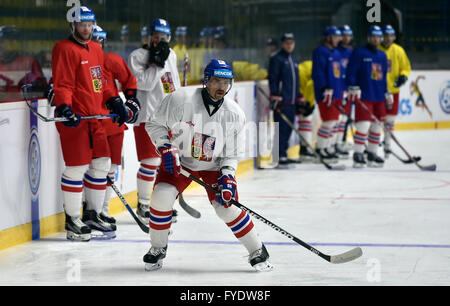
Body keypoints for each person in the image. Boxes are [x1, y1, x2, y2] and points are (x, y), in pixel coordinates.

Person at [143, 59, 273, 272]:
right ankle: (158, 248)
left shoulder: (234, 114)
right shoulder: (179, 99)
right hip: (181, 161)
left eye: (226, 81)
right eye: (216, 81)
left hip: (214, 166)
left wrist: (228, 175)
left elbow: (231, 153)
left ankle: (257, 249)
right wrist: (165, 146)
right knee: (160, 197)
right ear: (206, 81)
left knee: (226, 208)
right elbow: (155, 124)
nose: (222, 87)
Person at [51, 6, 137, 241]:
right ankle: (72, 221)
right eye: (82, 25)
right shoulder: (64, 49)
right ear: (73, 25)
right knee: (77, 168)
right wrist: (64, 106)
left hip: (97, 118)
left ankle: (92, 214)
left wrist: (115, 102)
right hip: (76, 119)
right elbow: (63, 82)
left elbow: (102, 83)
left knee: (101, 164)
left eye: (89, 25)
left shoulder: (96, 48)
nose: (86, 29)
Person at [128, 18, 181, 222]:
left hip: (169, 118)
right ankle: (143, 204)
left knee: (167, 164)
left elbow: (173, 84)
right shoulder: (138, 56)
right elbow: (145, 84)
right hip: (147, 118)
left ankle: (160, 205)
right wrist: (157, 64)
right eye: (156, 37)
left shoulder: (172, 55)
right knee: (150, 162)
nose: (160, 41)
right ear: (149, 37)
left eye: (164, 37)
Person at [90, 25, 140, 225]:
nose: (97, 44)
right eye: (93, 40)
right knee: (94, 169)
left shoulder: (111, 60)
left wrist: (131, 102)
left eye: (99, 40)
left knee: (112, 168)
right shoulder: (81, 62)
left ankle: (103, 209)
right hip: (93, 122)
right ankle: (91, 210)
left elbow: (129, 81)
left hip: (114, 122)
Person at [346, 25, 389, 168]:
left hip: (379, 97)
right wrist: (353, 86)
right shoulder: (359, 52)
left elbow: (383, 77)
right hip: (364, 95)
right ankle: (358, 154)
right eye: (373, 36)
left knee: (377, 126)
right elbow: (350, 72)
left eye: (378, 37)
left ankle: (372, 153)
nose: (376, 39)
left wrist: (386, 92)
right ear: (369, 38)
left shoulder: (382, 56)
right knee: (363, 126)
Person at [378, 24, 411, 158]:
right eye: (386, 35)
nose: (388, 38)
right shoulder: (376, 50)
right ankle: (370, 147)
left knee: (390, 120)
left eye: (391, 35)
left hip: (393, 92)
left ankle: (387, 145)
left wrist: (403, 76)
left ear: (394, 37)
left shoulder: (398, 50)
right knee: (375, 120)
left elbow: (406, 67)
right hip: (378, 92)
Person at [268, 33, 301, 165]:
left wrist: (299, 96)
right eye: (287, 43)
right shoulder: (277, 59)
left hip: (292, 101)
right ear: (282, 44)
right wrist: (275, 95)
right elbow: (273, 78)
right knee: (281, 128)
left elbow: (296, 81)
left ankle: (284, 153)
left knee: (288, 128)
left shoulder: (293, 59)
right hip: (282, 101)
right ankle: (279, 154)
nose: (289, 45)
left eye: (291, 42)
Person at [312, 26, 344, 163]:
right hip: (326, 93)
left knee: (334, 122)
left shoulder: (336, 53)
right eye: (335, 37)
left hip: (336, 93)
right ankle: (320, 149)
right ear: (328, 37)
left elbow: (339, 74)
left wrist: (343, 90)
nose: (338, 40)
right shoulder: (320, 52)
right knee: (328, 122)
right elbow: (318, 72)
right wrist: (324, 87)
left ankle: (327, 148)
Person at [335, 24, 354, 157]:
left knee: (346, 117)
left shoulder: (351, 52)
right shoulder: (334, 51)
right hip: (337, 89)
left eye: (349, 35)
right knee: (336, 118)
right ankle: (334, 143)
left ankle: (341, 141)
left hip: (348, 90)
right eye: (344, 35)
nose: (346, 38)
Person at [296, 60, 316, 162]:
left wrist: (310, 104)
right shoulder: (303, 71)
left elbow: (312, 88)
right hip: (295, 98)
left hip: (304, 98)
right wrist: (303, 101)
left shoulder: (314, 69)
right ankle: (304, 149)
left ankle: (305, 148)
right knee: (305, 120)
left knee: (306, 121)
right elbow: (306, 87)